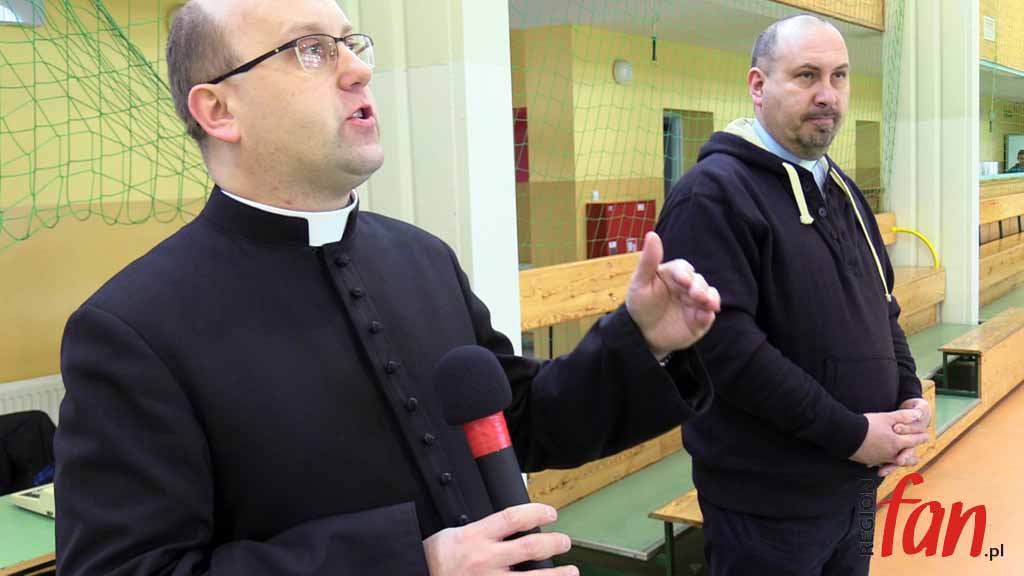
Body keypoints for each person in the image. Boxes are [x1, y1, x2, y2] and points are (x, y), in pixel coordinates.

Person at [53, 1, 722, 574]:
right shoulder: (131, 329)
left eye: (351, 43)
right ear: (220, 110)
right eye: (311, 51)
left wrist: (643, 341)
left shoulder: (422, 257)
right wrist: (410, 563)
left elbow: (521, 420)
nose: (358, 69)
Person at [655, 15, 931, 576]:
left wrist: (907, 400)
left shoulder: (841, 189)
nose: (827, 94)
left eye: (839, 76)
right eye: (807, 75)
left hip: (854, 487)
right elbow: (728, 354)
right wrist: (854, 435)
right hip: (768, 506)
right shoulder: (712, 195)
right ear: (758, 86)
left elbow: (884, 309)